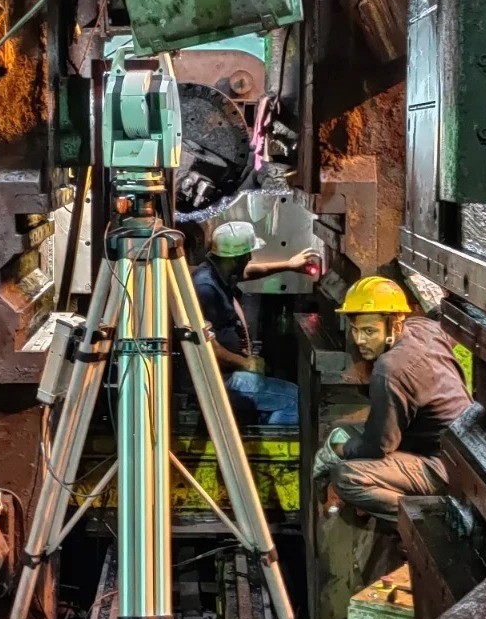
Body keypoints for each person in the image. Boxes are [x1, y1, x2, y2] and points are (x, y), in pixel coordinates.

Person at [314, 275, 470, 524]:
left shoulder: (390, 369)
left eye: (369, 331)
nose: (360, 340)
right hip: (454, 446)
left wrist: (337, 450)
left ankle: (427, 519)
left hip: (445, 467)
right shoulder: (422, 328)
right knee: (343, 429)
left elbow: (378, 447)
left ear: (395, 326)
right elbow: (443, 320)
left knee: (346, 477)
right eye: (356, 330)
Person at [190, 220, 317, 426]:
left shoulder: (216, 272)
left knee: (288, 393)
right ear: (236, 258)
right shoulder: (205, 289)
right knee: (297, 399)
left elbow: (250, 271)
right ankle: (269, 448)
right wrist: (245, 363)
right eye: (246, 255)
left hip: (224, 373)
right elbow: (205, 347)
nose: (249, 258)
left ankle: (262, 419)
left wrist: (289, 266)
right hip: (218, 380)